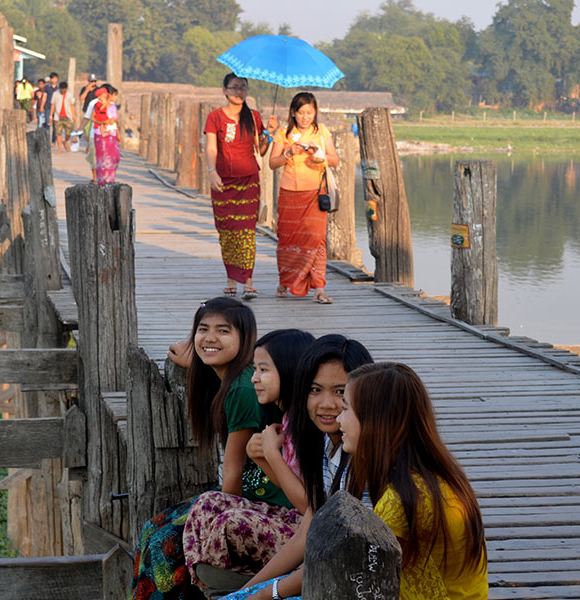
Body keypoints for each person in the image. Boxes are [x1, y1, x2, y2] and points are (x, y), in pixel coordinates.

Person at [129, 297, 294, 600]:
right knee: (152, 528)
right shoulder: (235, 378)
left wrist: (215, 521)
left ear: (246, 342)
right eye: (203, 330)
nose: (210, 338)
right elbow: (208, 355)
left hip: (267, 503)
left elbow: (231, 474)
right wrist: (198, 357)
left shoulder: (242, 390)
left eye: (223, 331)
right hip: (250, 494)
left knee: (162, 543)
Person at [219, 335, 374, 600]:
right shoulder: (327, 444)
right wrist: (243, 594)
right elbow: (306, 535)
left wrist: (262, 594)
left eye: (340, 392)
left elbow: (339, 556)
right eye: (315, 390)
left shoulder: (366, 461)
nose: (326, 404)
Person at [339, 362, 488, 599]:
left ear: (375, 421)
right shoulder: (435, 476)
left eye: (346, 409)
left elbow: (368, 584)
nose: (339, 418)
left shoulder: (399, 502)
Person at [182, 329, 316, 586]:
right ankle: (206, 580)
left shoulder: (307, 428)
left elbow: (307, 504)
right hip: (293, 521)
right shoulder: (286, 419)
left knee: (231, 522)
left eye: (263, 371)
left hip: (308, 533)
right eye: (254, 370)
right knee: (208, 503)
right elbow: (289, 485)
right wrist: (263, 458)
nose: (254, 378)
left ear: (289, 371)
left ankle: (232, 582)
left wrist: (269, 456)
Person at [204, 72, 278, 300]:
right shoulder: (215, 117)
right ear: (224, 90)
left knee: (246, 231)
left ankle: (248, 281)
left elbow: (261, 150)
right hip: (223, 181)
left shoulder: (253, 116)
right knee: (227, 231)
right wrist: (212, 171)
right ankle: (230, 279)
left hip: (248, 180)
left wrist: (270, 133)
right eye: (234, 88)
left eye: (243, 88)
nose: (239, 92)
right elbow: (211, 148)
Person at [269, 92, 339, 304]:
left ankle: (319, 288)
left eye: (309, 112)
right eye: (301, 112)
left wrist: (320, 156)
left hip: (315, 193)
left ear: (315, 112)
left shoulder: (321, 132)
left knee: (316, 239)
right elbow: (273, 163)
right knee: (287, 239)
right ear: (293, 112)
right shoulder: (284, 132)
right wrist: (289, 153)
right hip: (290, 193)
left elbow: (334, 160)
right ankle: (285, 281)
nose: (305, 117)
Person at [91, 85, 121, 184]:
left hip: (112, 134)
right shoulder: (97, 105)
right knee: (103, 159)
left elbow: (115, 121)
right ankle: (103, 181)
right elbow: (93, 118)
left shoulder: (113, 107)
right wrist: (103, 122)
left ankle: (110, 178)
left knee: (115, 157)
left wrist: (118, 134)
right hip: (100, 134)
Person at [50, 81, 76, 153]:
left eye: (65, 89)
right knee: (58, 133)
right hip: (58, 117)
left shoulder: (70, 95)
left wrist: (74, 116)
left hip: (68, 116)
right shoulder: (55, 94)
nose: (63, 91)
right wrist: (50, 116)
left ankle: (65, 141)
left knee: (68, 133)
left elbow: (72, 105)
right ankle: (60, 148)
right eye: (62, 89)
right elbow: (53, 105)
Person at [43, 72, 59, 140]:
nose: (54, 80)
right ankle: (46, 139)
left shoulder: (59, 87)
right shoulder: (47, 87)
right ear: (50, 79)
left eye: (55, 78)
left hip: (56, 108)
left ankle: (53, 140)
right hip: (48, 106)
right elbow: (44, 97)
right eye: (53, 78)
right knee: (47, 123)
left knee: (56, 125)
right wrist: (42, 106)